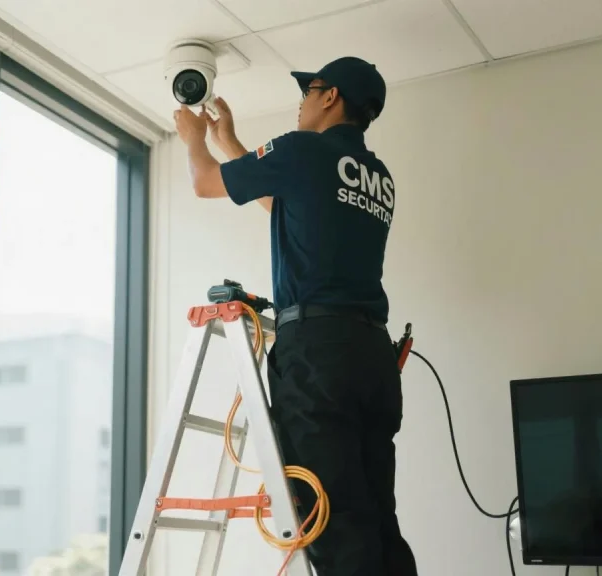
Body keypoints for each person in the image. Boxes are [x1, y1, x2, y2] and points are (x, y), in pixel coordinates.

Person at [173, 56, 418, 576]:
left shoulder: (302, 148)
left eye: (309, 92)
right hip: (373, 357)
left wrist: (194, 138)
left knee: (334, 523)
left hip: (320, 356)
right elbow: (293, 208)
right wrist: (232, 144)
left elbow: (204, 183)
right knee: (377, 519)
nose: (301, 102)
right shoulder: (378, 177)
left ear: (330, 97)